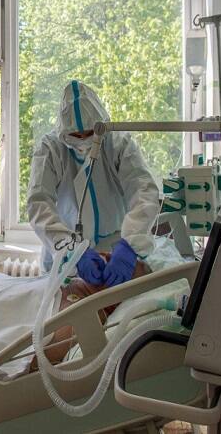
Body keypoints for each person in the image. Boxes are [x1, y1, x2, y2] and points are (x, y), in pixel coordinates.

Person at [26, 80, 160, 286]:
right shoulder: (50, 149)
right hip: (67, 254)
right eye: (75, 135)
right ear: (64, 132)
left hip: (116, 250)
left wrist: (131, 243)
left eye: (89, 133)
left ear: (100, 125)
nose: (82, 140)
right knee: (67, 302)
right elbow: (39, 203)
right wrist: (70, 250)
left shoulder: (119, 144)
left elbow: (144, 191)